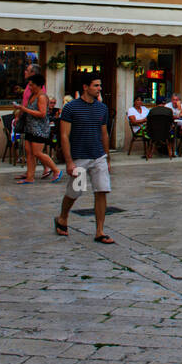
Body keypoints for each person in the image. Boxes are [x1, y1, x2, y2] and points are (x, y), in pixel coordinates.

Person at [56, 71, 114, 244]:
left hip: (98, 156)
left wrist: (107, 157)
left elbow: (104, 134)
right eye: (96, 85)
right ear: (85, 87)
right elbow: (64, 136)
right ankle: (63, 217)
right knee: (75, 192)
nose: (99, 89)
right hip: (80, 157)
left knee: (102, 190)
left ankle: (99, 231)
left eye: (100, 85)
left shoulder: (102, 108)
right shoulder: (71, 108)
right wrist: (69, 162)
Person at [14, 67, 61, 183]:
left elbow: (42, 113)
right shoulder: (32, 96)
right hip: (30, 128)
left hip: (39, 129)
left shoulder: (41, 97)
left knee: (37, 152)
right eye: (29, 85)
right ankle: (30, 177)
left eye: (32, 85)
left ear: (38, 85)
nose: (30, 87)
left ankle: (56, 170)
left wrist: (24, 109)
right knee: (29, 153)